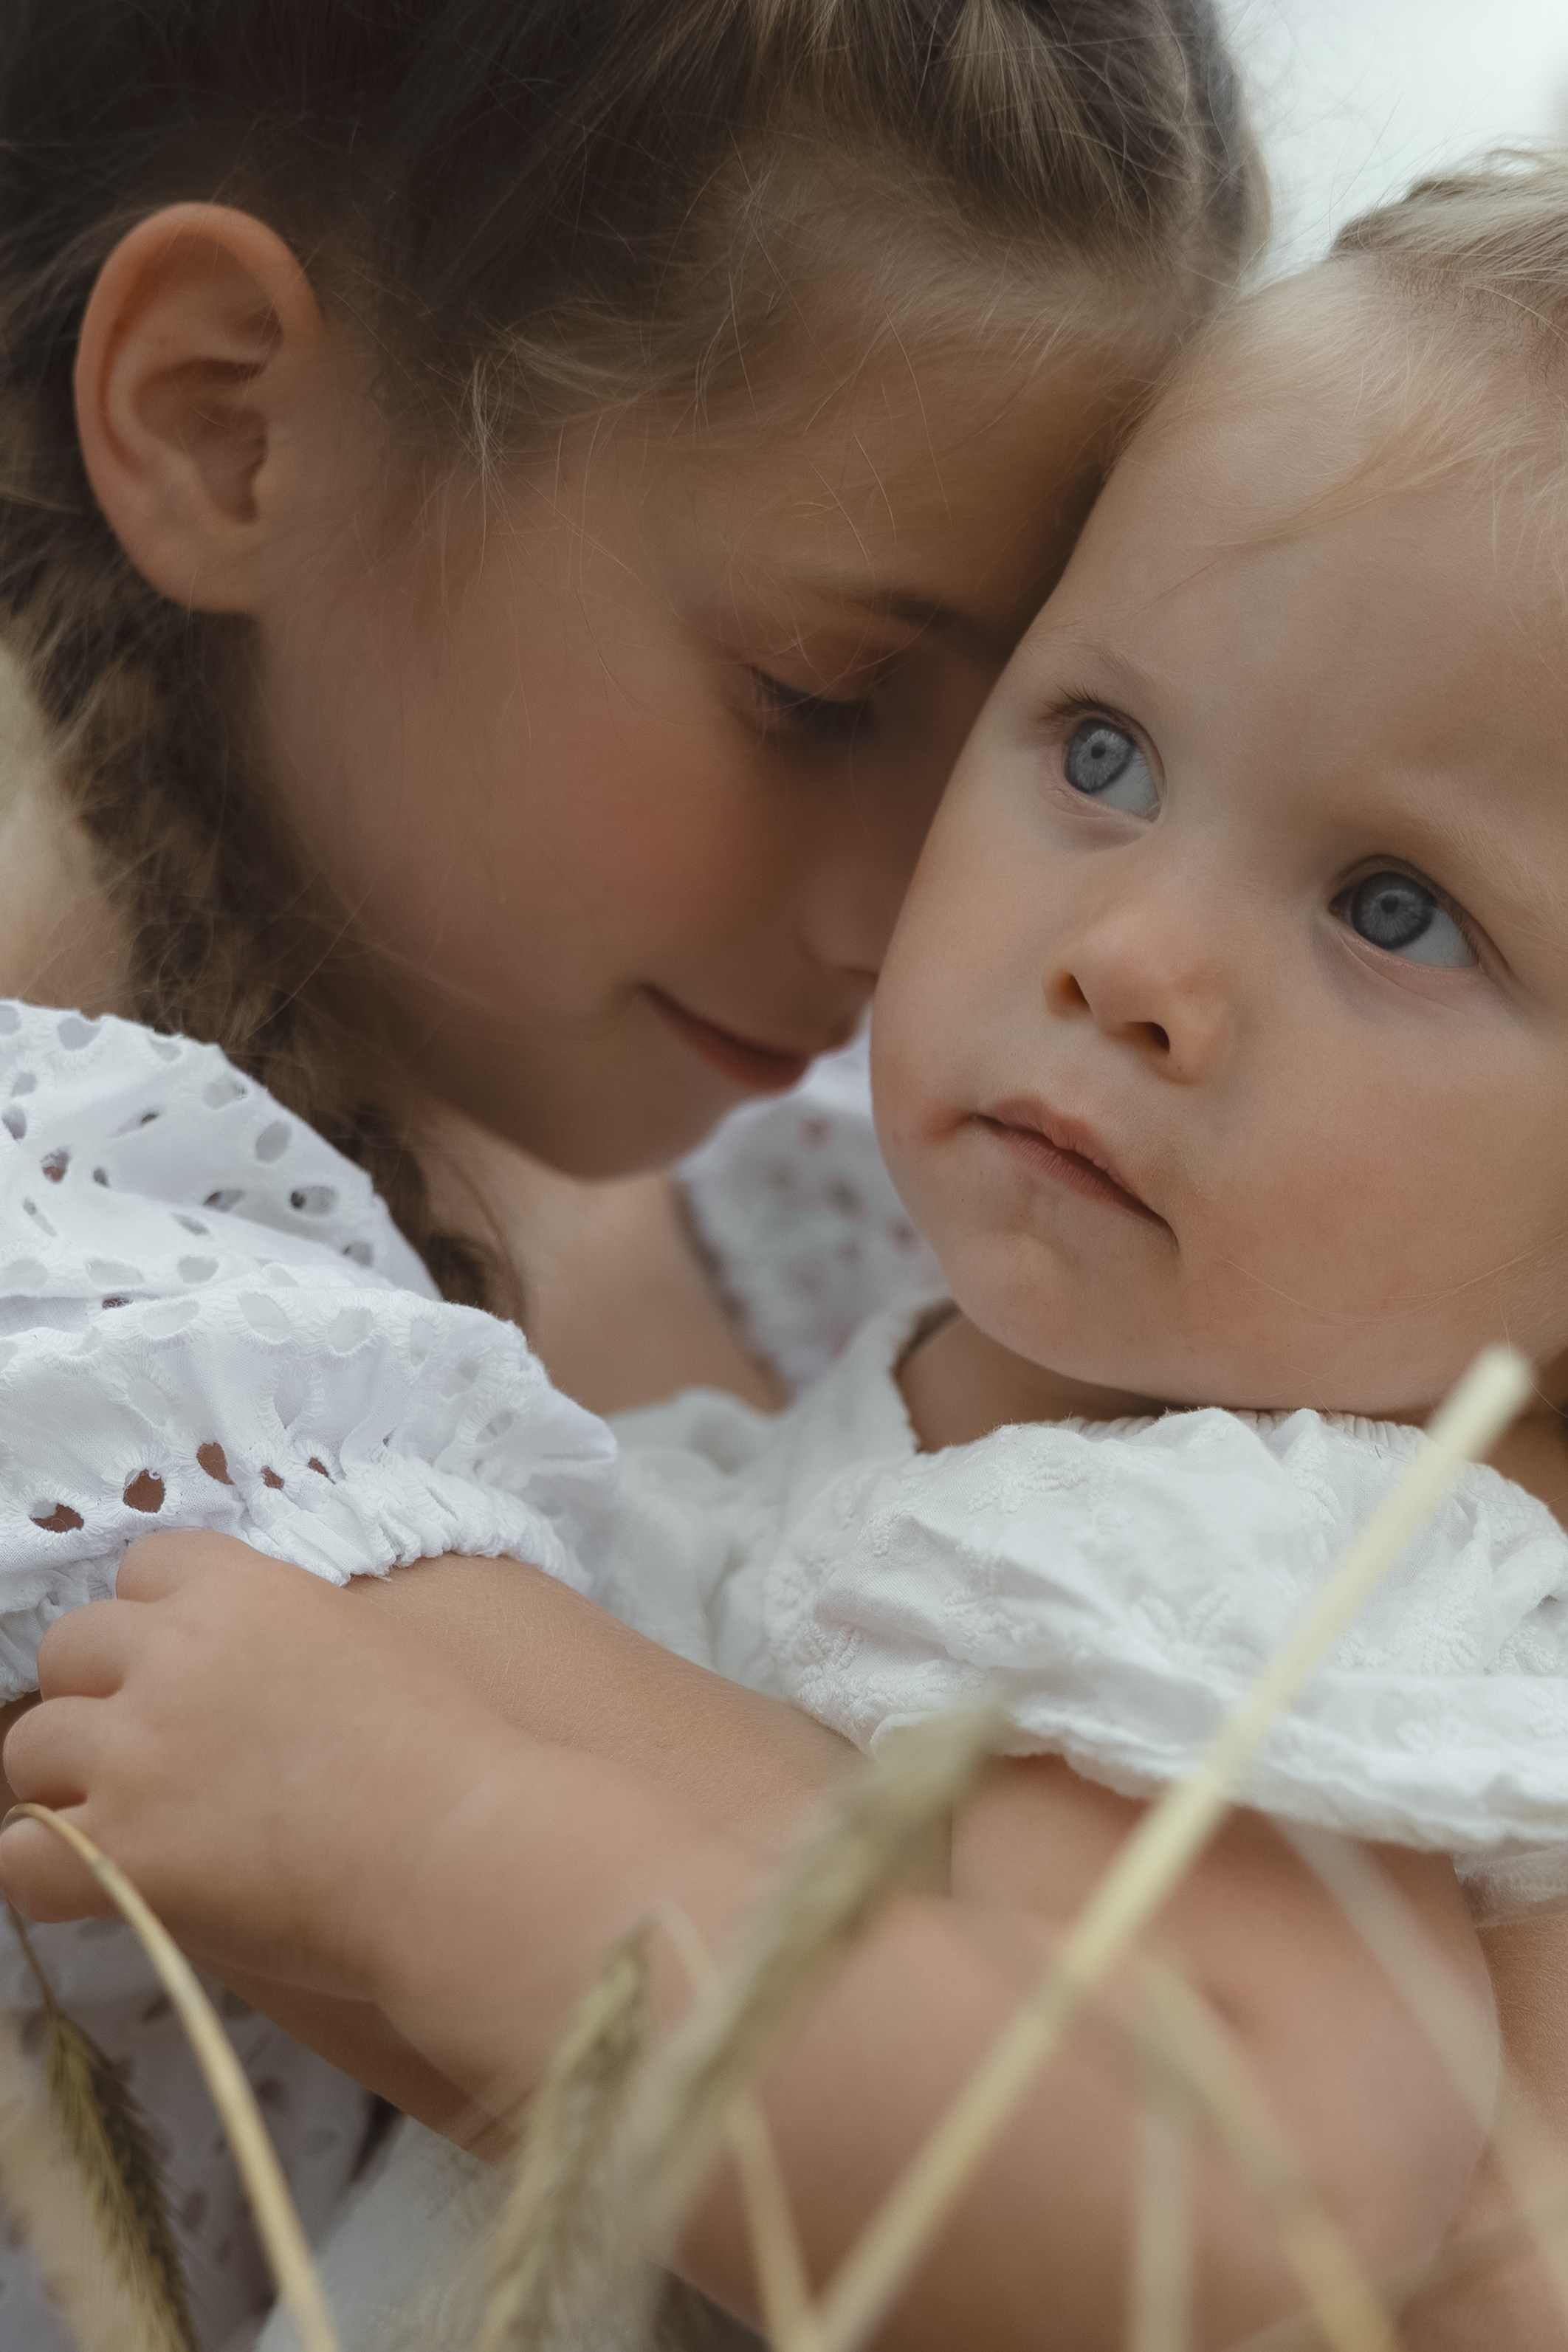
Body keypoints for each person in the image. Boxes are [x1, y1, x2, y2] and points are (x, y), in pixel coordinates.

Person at [15, 151, 1568, 2351]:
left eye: (1395, 905)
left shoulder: (1293, 1560)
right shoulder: (977, 1433)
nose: (1131, 956)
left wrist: (424, 1827)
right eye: (1102, 749)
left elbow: (1214, 2189)